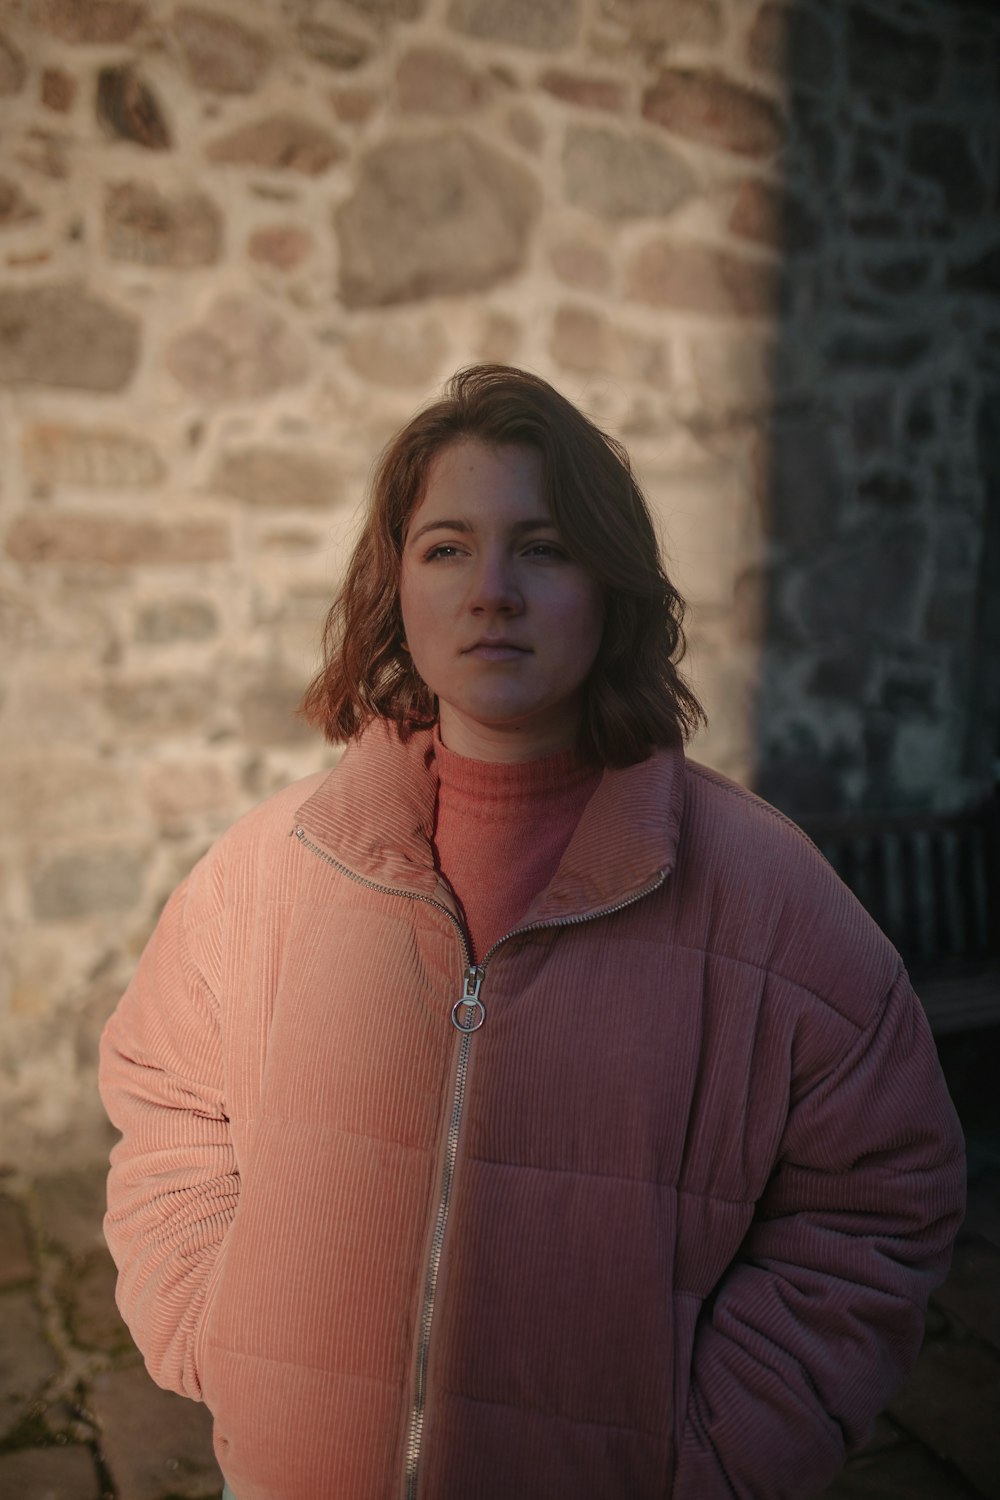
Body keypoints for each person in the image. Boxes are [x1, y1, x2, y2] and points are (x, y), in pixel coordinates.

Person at [100, 364, 965, 1500]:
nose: (491, 589)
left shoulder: (767, 898)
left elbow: (877, 1200)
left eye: (543, 548)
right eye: (447, 546)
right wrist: (223, 1338)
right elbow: (165, 1104)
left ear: (609, 586)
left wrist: (713, 1451)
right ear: (394, 581)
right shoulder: (267, 873)